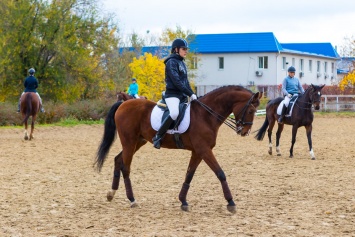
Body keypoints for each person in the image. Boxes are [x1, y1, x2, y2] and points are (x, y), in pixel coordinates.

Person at [152, 38, 197, 149]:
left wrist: (192, 93)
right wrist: (189, 94)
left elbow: (185, 82)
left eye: (186, 49)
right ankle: (158, 136)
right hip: (172, 95)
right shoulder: (171, 62)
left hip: (182, 95)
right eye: (183, 49)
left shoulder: (182, 63)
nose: (186, 51)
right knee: (174, 113)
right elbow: (177, 82)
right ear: (176, 49)